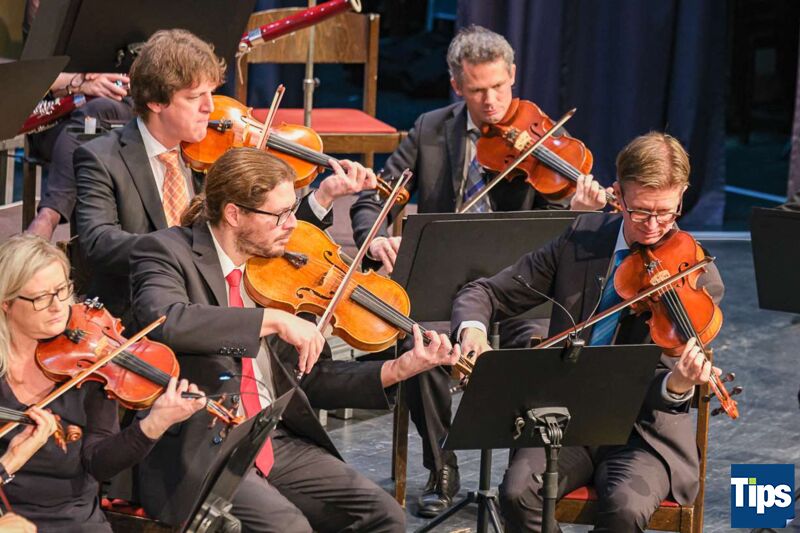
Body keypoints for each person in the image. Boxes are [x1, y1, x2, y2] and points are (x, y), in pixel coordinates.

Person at [349, 24, 611, 517]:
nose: (490, 102)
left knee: (539, 347)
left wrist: (578, 211)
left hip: (520, 289)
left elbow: (562, 238)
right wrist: (376, 235)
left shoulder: (545, 140)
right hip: (443, 283)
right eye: (476, 90)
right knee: (421, 345)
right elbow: (375, 197)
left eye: (498, 87)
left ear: (513, 76)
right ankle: (441, 467)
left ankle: (520, 477)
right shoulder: (430, 129)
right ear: (457, 86)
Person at [128, 147, 461, 532]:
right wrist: (269, 320)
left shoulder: (278, 270)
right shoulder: (166, 251)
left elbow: (310, 378)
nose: (292, 224)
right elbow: (166, 320)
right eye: (280, 214)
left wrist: (396, 369)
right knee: (291, 528)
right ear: (234, 214)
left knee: (382, 513)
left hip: (272, 439)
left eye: (292, 210)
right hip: (204, 446)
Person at [451, 132, 724, 532]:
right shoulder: (581, 239)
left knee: (625, 508)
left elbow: (665, 383)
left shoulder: (698, 277)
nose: (654, 227)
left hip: (642, 433)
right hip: (562, 420)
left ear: (681, 194)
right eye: (640, 212)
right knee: (517, 493)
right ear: (619, 195)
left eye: (666, 213)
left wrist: (677, 386)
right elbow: (485, 292)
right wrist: (473, 331)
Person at [75, 28, 375, 323]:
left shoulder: (217, 154)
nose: (209, 107)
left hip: (222, 303)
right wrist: (182, 246)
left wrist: (323, 197)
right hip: (143, 313)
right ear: (155, 102)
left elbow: (267, 232)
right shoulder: (101, 158)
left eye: (212, 92)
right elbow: (98, 243)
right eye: (195, 97)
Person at [0, 233, 205, 532]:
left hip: (77, 521)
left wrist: (155, 424)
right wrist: (10, 461)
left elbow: (98, 462)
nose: (58, 307)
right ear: (6, 303)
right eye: (41, 298)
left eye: (62, 290)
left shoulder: (89, 365)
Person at [22, 0, 134, 240]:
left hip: (116, 111)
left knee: (95, 117)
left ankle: (48, 216)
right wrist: (79, 81)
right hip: (59, 117)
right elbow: (32, 72)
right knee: (87, 130)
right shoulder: (41, 7)